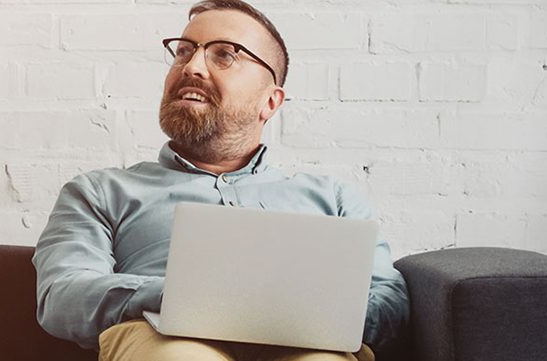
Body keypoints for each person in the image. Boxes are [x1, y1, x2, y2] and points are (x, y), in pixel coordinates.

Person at [33, 1, 409, 360]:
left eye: (225, 54)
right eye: (183, 51)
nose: (192, 66)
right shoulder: (98, 192)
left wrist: (304, 312)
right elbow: (61, 295)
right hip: (163, 339)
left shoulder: (335, 200)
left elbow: (387, 301)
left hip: (310, 344)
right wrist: (180, 296)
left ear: (270, 102)